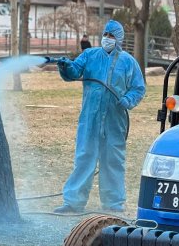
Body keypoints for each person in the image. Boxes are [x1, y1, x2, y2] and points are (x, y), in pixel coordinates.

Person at [54, 20, 146, 214]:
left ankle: (113, 202)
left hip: (115, 120)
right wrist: (65, 67)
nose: (107, 38)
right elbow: (74, 72)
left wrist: (128, 100)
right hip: (90, 118)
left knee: (112, 160)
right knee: (84, 157)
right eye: (105, 34)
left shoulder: (128, 62)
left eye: (112, 36)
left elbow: (138, 88)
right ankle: (73, 202)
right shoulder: (89, 55)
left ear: (119, 39)